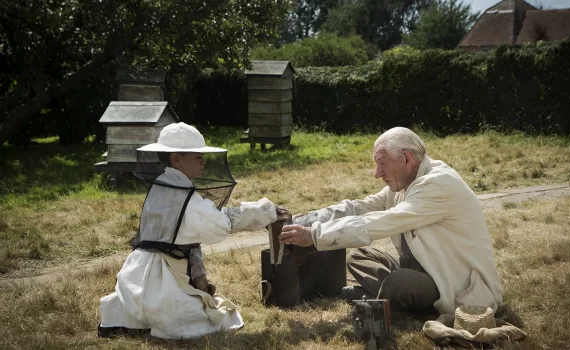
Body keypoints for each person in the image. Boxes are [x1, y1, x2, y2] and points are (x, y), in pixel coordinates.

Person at [279, 127, 503, 316]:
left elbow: (381, 222)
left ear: (407, 158)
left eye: (382, 163)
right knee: (358, 256)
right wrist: (308, 218)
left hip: (454, 284)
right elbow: (359, 207)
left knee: (399, 282)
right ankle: (384, 299)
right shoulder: (404, 183)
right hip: (422, 268)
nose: (377, 173)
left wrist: (313, 236)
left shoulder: (437, 185)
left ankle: (382, 300)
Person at [99, 122, 278, 339]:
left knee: (144, 309)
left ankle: (130, 319)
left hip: (133, 277)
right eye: (197, 156)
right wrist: (268, 211)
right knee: (223, 317)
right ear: (176, 159)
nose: (203, 160)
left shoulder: (160, 186)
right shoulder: (188, 201)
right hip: (163, 281)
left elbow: (190, 241)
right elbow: (222, 224)